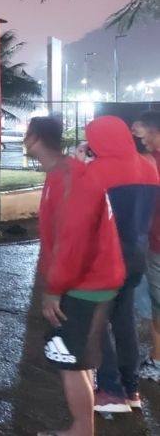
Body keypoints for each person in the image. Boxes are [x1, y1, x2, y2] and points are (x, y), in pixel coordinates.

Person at [24, 116, 125, 436]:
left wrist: (53, 290)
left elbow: (72, 241)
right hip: (91, 282)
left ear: (34, 137)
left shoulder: (69, 177)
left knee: (69, 362)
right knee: (79, 361)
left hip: (86, 285)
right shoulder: (65, 173)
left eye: (27, 134)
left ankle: (80, 431)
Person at [85, 116, 160, 413]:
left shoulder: (96, 171)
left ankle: (111, 390)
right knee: (125, 321)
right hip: (137, 254)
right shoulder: (149, 165)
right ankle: (131, 389)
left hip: (105, 257)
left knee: (97, 323)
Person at [136, 111, 160, 383]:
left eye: (142, 133)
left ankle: (158, 360)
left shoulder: (153, 162)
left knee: (157, 305)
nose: (139, 139)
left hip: (157, 242)